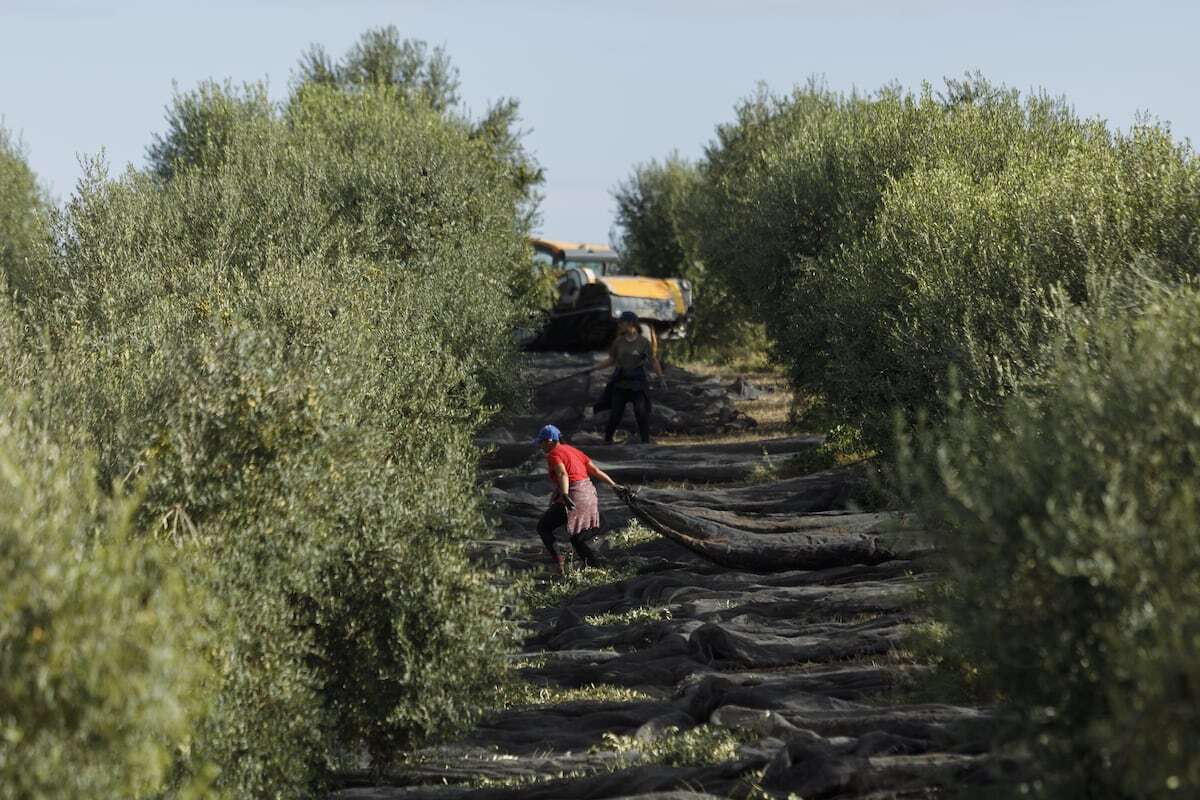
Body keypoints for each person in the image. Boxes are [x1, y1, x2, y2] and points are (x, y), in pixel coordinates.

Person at [534, 424, 626, 574]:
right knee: (577, 539)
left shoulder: (553, 454)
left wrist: (564, 494)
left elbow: (563, 474)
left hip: (574, 496)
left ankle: (559, 563)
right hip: (589, 494)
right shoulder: (574, 451)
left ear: (549, 440)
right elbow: (595, 471)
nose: (540, 445)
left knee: (543, 527)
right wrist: (614, 485)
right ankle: (595, 569)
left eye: (541, 442)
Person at [596, 311, 665, 444]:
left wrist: (661, 377)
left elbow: (653, 360)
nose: (619, 325)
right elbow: (611, 359)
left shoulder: (643, 342)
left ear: (631, 324)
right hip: (620, 382)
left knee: (641, 412)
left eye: (622, 322)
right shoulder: (618, 342)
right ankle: (608, 440)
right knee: (615, 414)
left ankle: (645, 441)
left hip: (637, 382)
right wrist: (595, 368)